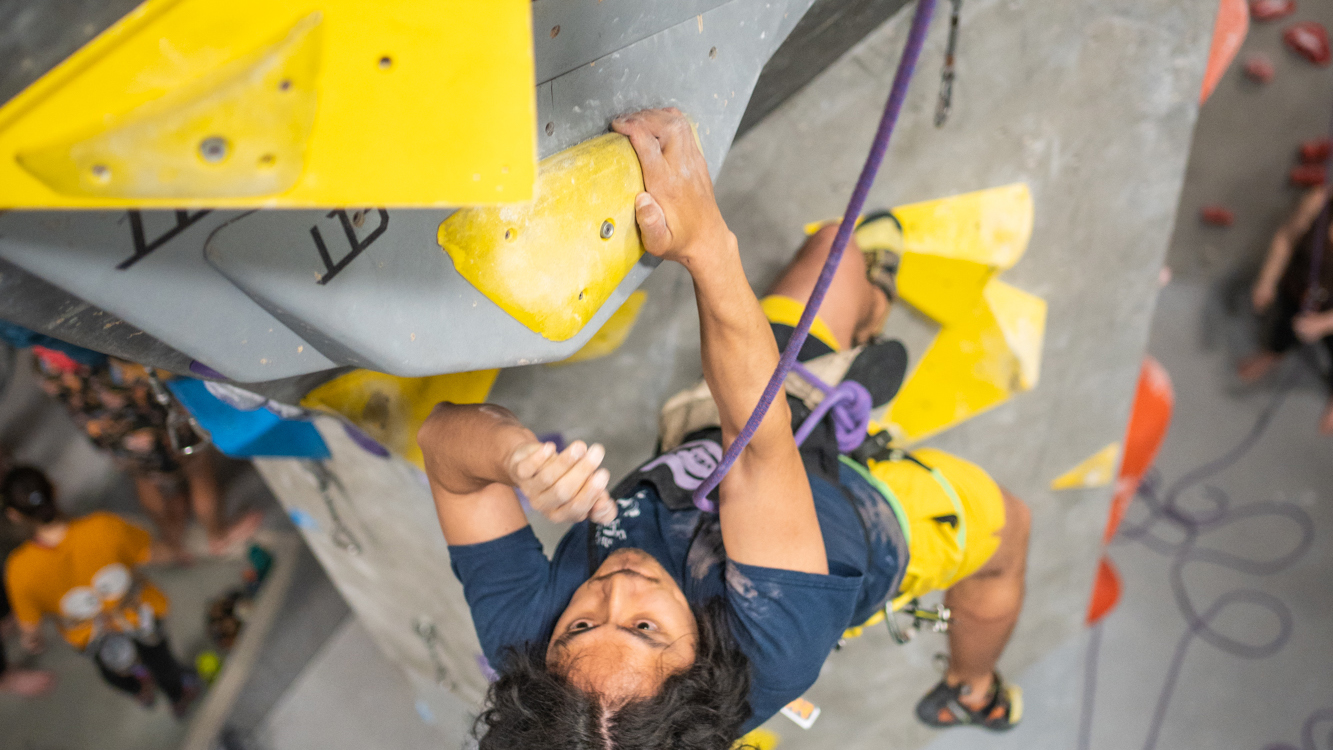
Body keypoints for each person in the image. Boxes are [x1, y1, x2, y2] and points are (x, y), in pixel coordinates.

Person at [416, 108, 1029, 747]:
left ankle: (863, 313)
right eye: (645, 629)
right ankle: (972, 686)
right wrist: (707, 243)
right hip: (878, 517)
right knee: (1007, 535)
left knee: (837, 249)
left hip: (712, 461)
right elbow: (761, 444)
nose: (616, 587)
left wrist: (513, 458)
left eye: (579, 626)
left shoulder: (531, 658)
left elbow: (444, 450)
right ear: (703, 669)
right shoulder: (776, 637)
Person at [29, 347, 261, 561]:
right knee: (198, 468)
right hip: (154, 426)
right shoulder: (97, 350)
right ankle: (216, 535)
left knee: (144, 479)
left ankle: (173, 542)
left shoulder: (43, 363)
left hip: (111, 435)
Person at [2, 465, 199, 715]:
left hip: (90, 635)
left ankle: (140, 691)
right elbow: (156, 554)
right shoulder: (104, 526)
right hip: (139, 615)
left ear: (14, 515)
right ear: (53, 488)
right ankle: (178, 697)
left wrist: (33, 641)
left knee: (111, 671)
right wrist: (175, 551)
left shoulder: (18, 569)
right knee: (161, 661)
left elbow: (31, 631)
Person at [1240, 185, 1333, 433]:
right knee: (1284, 326)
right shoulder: (1319, 200)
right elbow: (1286, 238)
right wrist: (1267, 279)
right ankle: (1273, 354)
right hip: (1300, 290)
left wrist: (1324, 323)